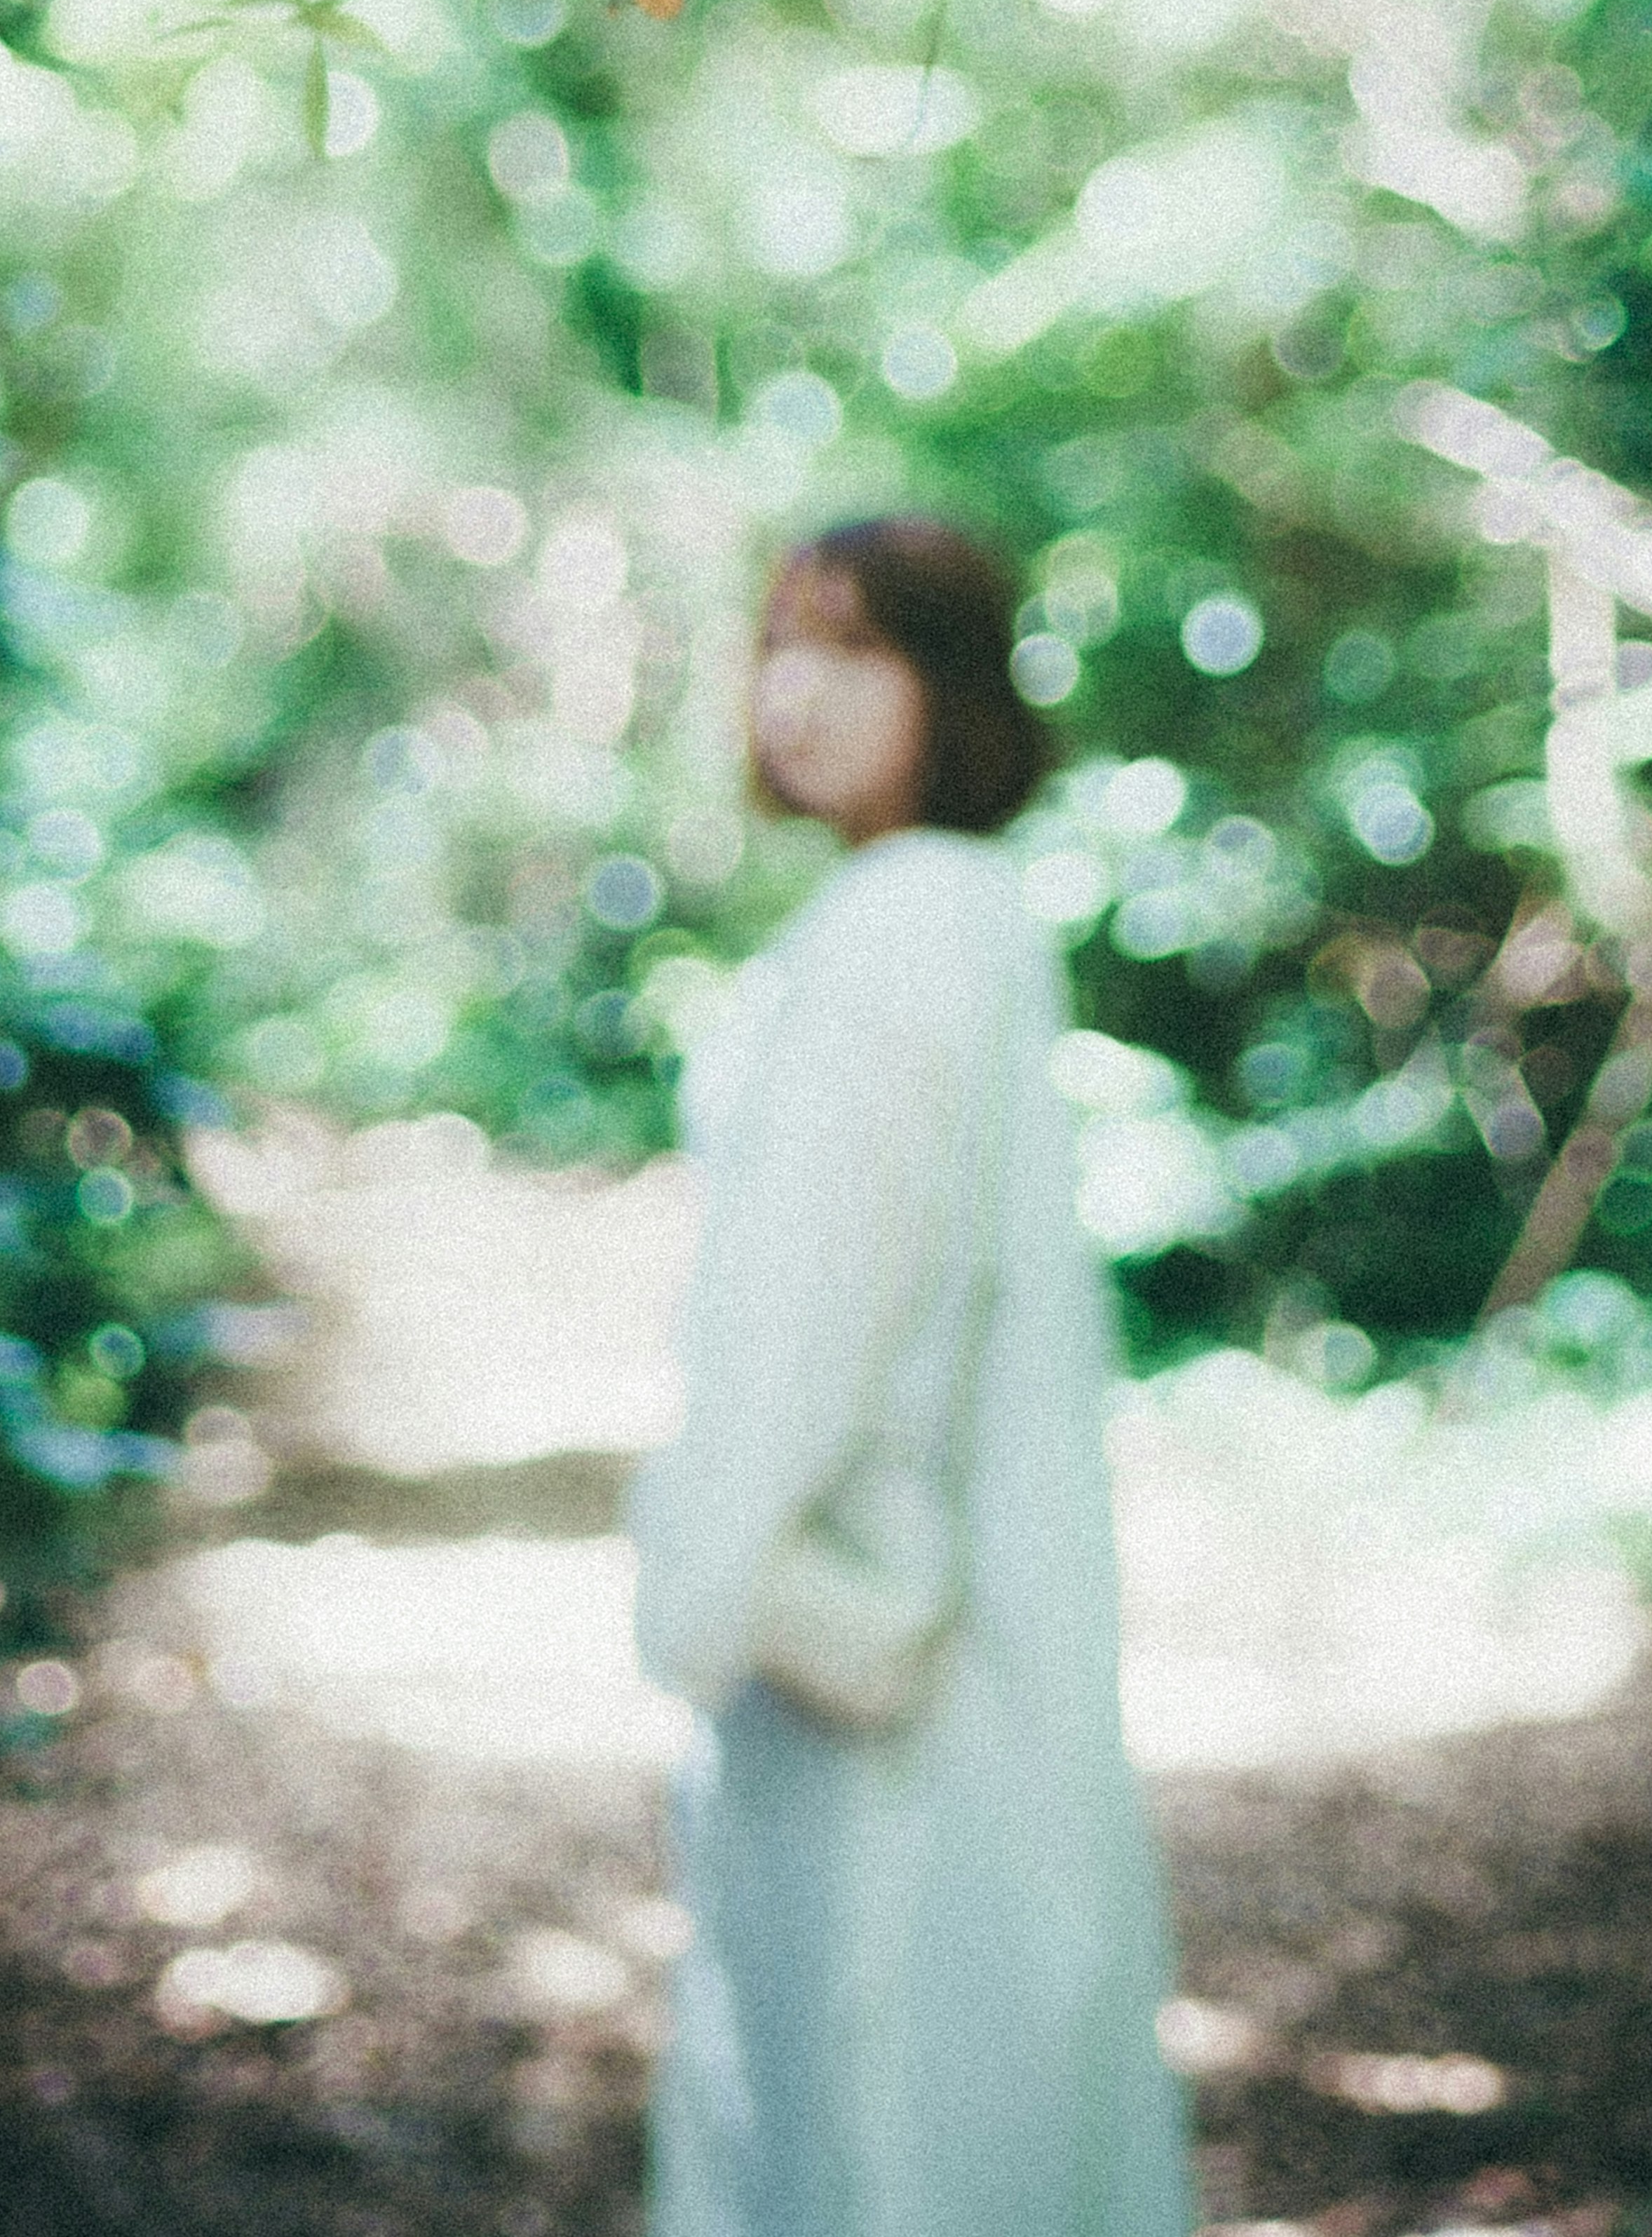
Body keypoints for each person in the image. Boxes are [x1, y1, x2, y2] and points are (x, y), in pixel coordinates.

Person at [628, 515, 1193, 2237]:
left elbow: (819, 1305)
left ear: (950, 689)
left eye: (856, 649)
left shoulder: (907, 925)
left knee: (877, 2111)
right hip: (938, 1605)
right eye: (778, 641)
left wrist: (703, 1565)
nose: (795, 688)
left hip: (881, 1620)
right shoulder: (945, 915)